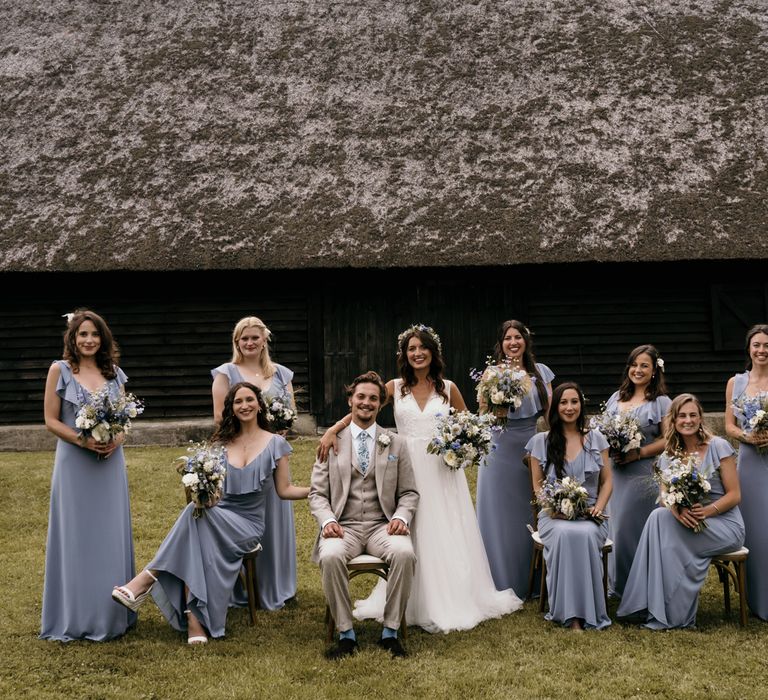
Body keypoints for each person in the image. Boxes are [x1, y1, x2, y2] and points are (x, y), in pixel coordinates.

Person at [318, 324, 522, 634]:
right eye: (411, 349)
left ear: (432, 352)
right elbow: (363, 408)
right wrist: (334, 429)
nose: (417, 353)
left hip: (441, 468)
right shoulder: (395, 387)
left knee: (444, 530)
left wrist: (467, 444)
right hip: (403, 464)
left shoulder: (449, 388)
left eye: (422, 348)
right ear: (404, 354)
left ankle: (450, 598)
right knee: (408, 527)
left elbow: (469, 424)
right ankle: (407, 601)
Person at [112, 382, 309, 643]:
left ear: (259, 404)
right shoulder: (221, 444)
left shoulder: (276, 444)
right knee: (198, 516)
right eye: (238, 401)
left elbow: (284, 490)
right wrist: (207, 495)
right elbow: (212, 492)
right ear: (232, 408)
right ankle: (194, 621)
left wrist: (317, 489)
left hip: (247, 526)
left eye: (250, 399)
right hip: (216, 515)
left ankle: (146, 580)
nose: (245, 405)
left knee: (195, 517)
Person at [40, 309, 137, 641]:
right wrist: (84, 440)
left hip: (110, 464)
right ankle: (77, 615)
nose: (89, 340)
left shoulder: (115, 374)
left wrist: (115, 440)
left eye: (94, 334)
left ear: (103, 338)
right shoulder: (60, 370)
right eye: (82, 334)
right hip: (74, 464)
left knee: (109, 534)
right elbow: (51, 420)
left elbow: (125, 420)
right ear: (72, 338)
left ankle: (111, 615)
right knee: (77, 536)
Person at [310, 371, 419, 658]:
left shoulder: (395, 442)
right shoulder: (331, 442)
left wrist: (401, 517)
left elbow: (409, 492)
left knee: (405, 553)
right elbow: (317, 494)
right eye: (361, 397)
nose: (366, 403)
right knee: (331, 555)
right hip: (343, 526)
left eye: (373, 398)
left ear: (380, 404)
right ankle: (346, 634)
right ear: (350, 400)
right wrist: (329, 521)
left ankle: (391, 632)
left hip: (382, 526)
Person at [618, 394, 744, 629]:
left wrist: (706, 512)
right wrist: (677, 512)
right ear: (673, 421)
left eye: (693, 415)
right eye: (682, 416)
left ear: (700, 418)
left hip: (723, 524)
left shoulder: (718, 446)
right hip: (688, 522)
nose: (688, 420)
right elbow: (665, 497)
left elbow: (735, 495)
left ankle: (661, 610)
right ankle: (653, 606)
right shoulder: (668, 455)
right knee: (659, 516)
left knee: (664, 529)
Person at [211, 316, 298, 610]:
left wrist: (275, 434)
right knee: (243, 517)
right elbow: (221, 418)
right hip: (243, 456)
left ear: (264, 341)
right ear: (237, 342)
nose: (250, 343)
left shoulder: (282, 374)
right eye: (244, 338)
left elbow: (290, 414)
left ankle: (276, 585)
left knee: (274, 518)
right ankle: (242, 587)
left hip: (273, 454)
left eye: (255, 338)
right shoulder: (226, 373)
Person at [526, 382, 613, 630]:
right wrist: (552, 508)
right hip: (553, 516)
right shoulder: (540, 442)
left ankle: (591, 612)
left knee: (584, 534)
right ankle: (570, 615)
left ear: (581, 405)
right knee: (565, 534)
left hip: (590, 514)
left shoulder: (596, 438)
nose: (569, 407)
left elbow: (607, 483)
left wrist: (599, 507)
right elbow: (538, 486)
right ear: (556, 407)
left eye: (574, 401)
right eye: (564, 402)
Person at [476, 320, 554, 598]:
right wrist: (496, 410)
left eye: (518, 337)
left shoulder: (542, 373)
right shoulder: (491, 373)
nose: (513, 342)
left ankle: (533, 578)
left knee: (529, 510)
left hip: (530, 446)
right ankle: (498, 579)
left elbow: (551, 414)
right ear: (502, 343)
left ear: (525, 341)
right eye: (508, 338)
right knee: (498, 514)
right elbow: (482, 414)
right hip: (499, 448)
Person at [603, 345, 670, 598]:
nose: (638, 370)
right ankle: (617, 587)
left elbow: (668, 439)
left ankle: (639, 589)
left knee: (631, 530)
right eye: (634, 364)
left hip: (643, 473)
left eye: (644, 366)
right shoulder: (615, 398)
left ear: (654, 371)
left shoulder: (662, 402)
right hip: (615, 473)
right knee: (615, 528)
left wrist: (639, 452)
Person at [725, 324, 768, 621]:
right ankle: (756, 600)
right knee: (755, 531)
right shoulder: (735, 383)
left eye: (767, 345)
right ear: (749, 348)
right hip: (750, 462)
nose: (762, 350)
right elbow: (728, 425)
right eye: (757, 345)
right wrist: (747, 438)